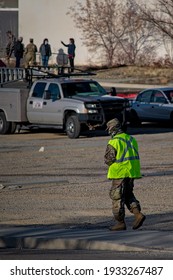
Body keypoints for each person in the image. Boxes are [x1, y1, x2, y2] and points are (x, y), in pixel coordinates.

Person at [104, 118, 146, 231]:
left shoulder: (114, 141)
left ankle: (120, 223)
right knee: (128, 195)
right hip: (131, 172)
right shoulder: (131, 139)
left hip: (119, 172)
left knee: (116, 197)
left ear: (113, 128)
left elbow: (109, 159)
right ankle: (138, 214)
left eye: (109, 128)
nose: (108, 131)